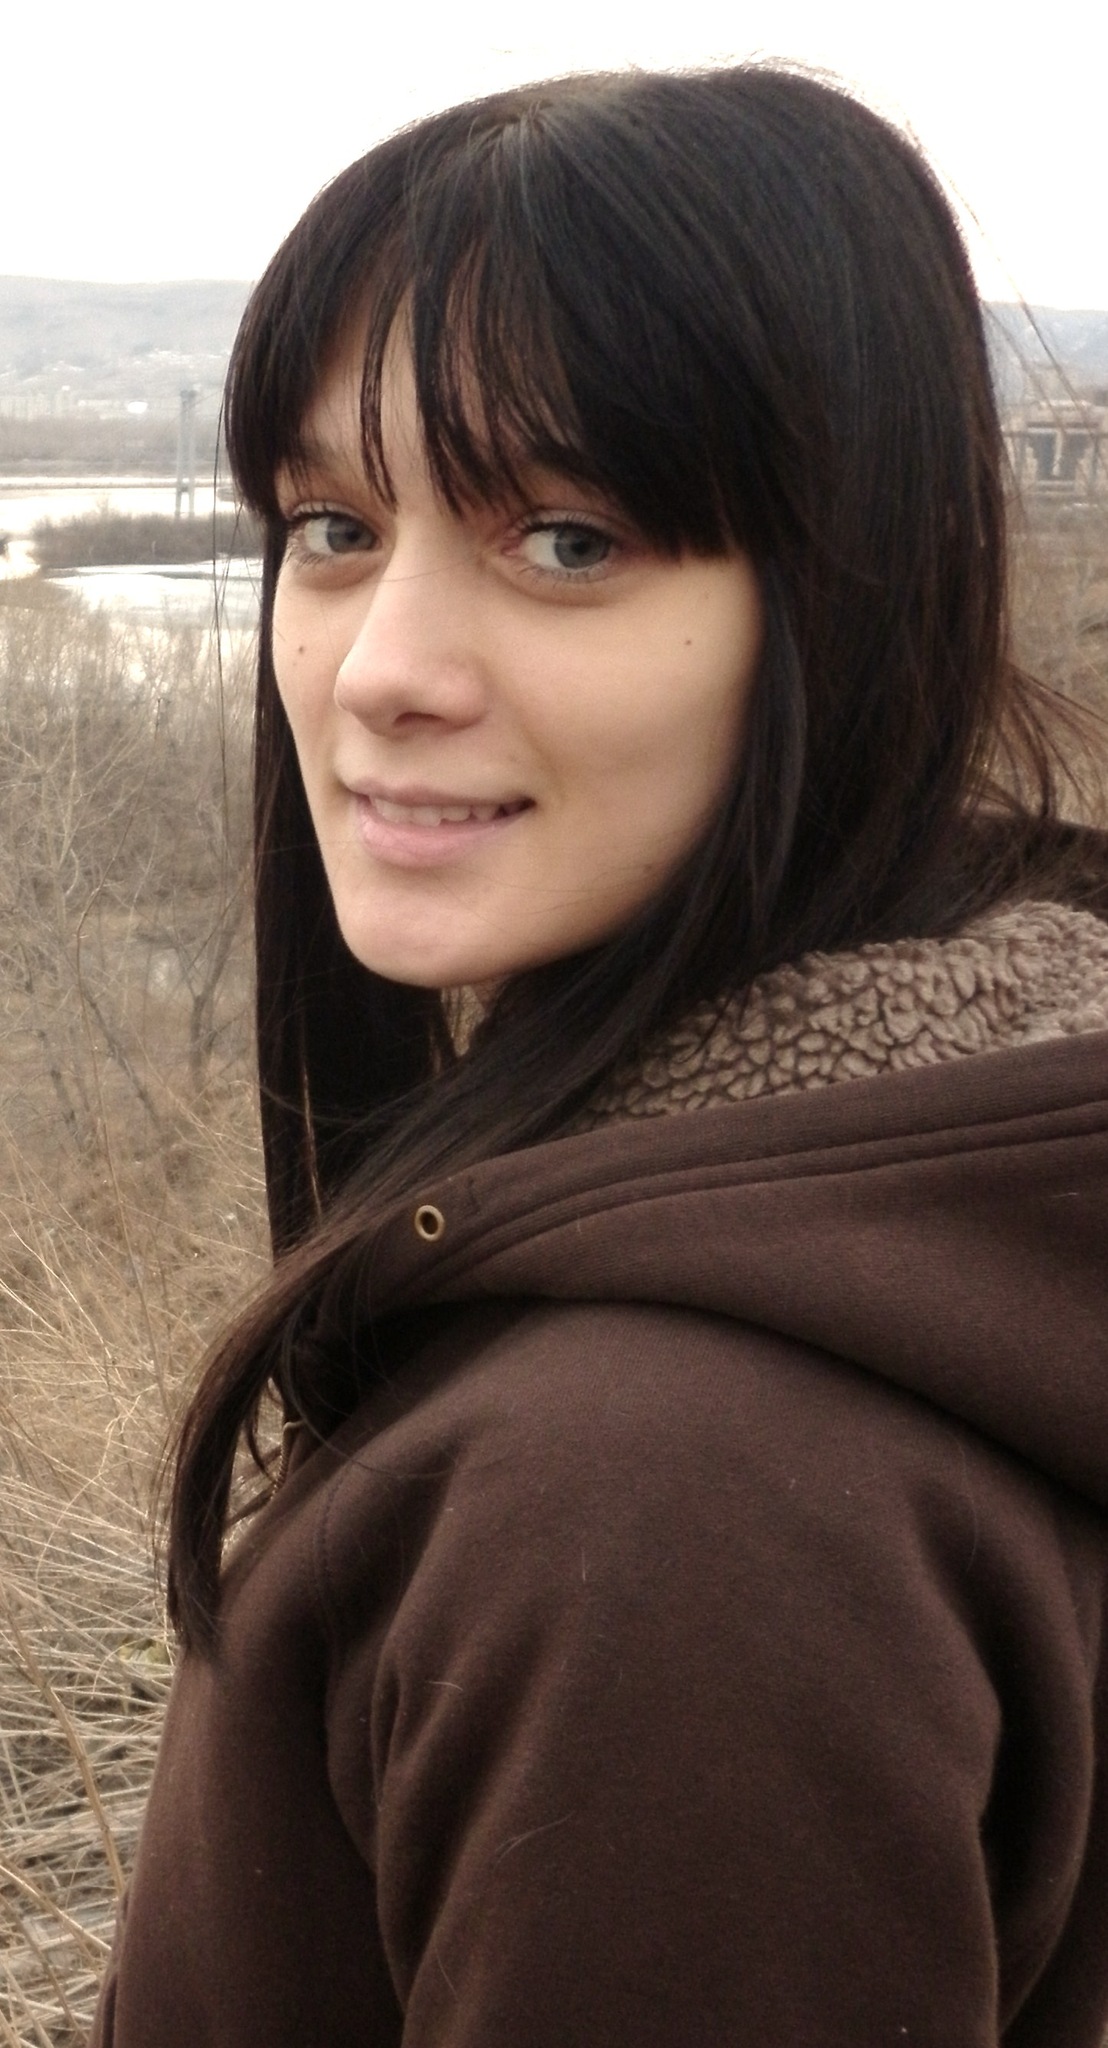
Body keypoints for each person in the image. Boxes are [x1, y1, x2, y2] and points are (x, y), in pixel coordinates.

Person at [91, 64, 1108, 2048]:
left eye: (566, 540)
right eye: (331, 526)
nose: (381, 666)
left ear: (850, 596)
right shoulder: (932, 1203)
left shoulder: (663, 1509)